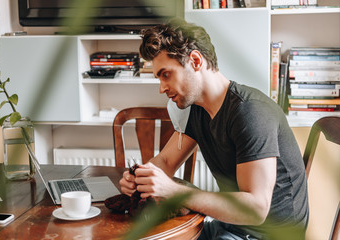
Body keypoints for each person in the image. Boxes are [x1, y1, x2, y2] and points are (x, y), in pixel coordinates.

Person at [119, 18, 309, 240]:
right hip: (231, 227)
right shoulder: (197, 109)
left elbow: (256, 209)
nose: (161, 88)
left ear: (196, 61)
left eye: (165, 74)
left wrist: (173, 191)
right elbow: (166, 162)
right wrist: (140, 177)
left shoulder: (250, 112)